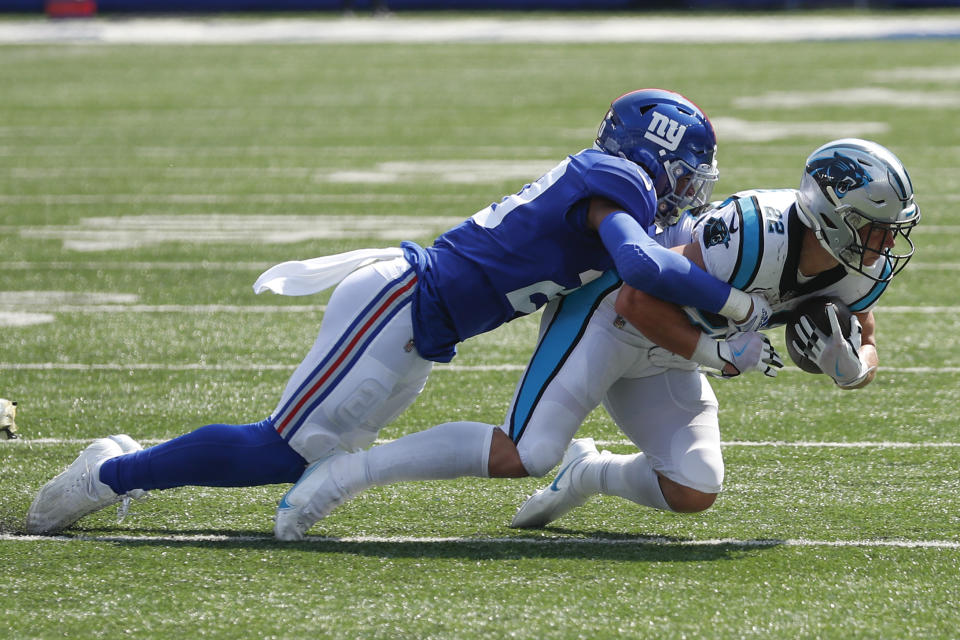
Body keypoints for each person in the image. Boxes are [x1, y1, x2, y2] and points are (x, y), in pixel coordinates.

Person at [26, 88, 771, 535]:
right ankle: (114, 472)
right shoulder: (614, 178)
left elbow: (651, 263)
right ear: (658, 152)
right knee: (284, 447)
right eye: (688, 171)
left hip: (421, 325)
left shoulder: (612, 179)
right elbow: (641, 264)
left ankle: (127, 467)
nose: (691, 188)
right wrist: (739, 305)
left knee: (301, 452)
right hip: (400, 303)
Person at [269, 138, 919, 540]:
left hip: (676, 345)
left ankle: (589, 474)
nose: (885, 245)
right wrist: (717, 352)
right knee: (526, 452)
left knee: (694, 489)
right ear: (829, 214)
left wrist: (852, 366)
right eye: (876, 228)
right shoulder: (753, 234)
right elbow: (639, 298)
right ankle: (345, 474)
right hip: (610, 317)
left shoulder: (859, 269)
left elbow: (861, 333)